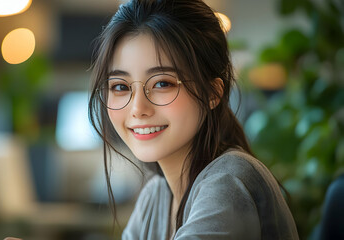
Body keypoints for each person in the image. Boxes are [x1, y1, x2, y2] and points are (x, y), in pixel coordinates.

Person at [87, 0, 300, 239]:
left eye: (162, 83)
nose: (138, 109)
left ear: (213, 93)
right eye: (120, 86)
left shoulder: (228, 181)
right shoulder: (156, 196)